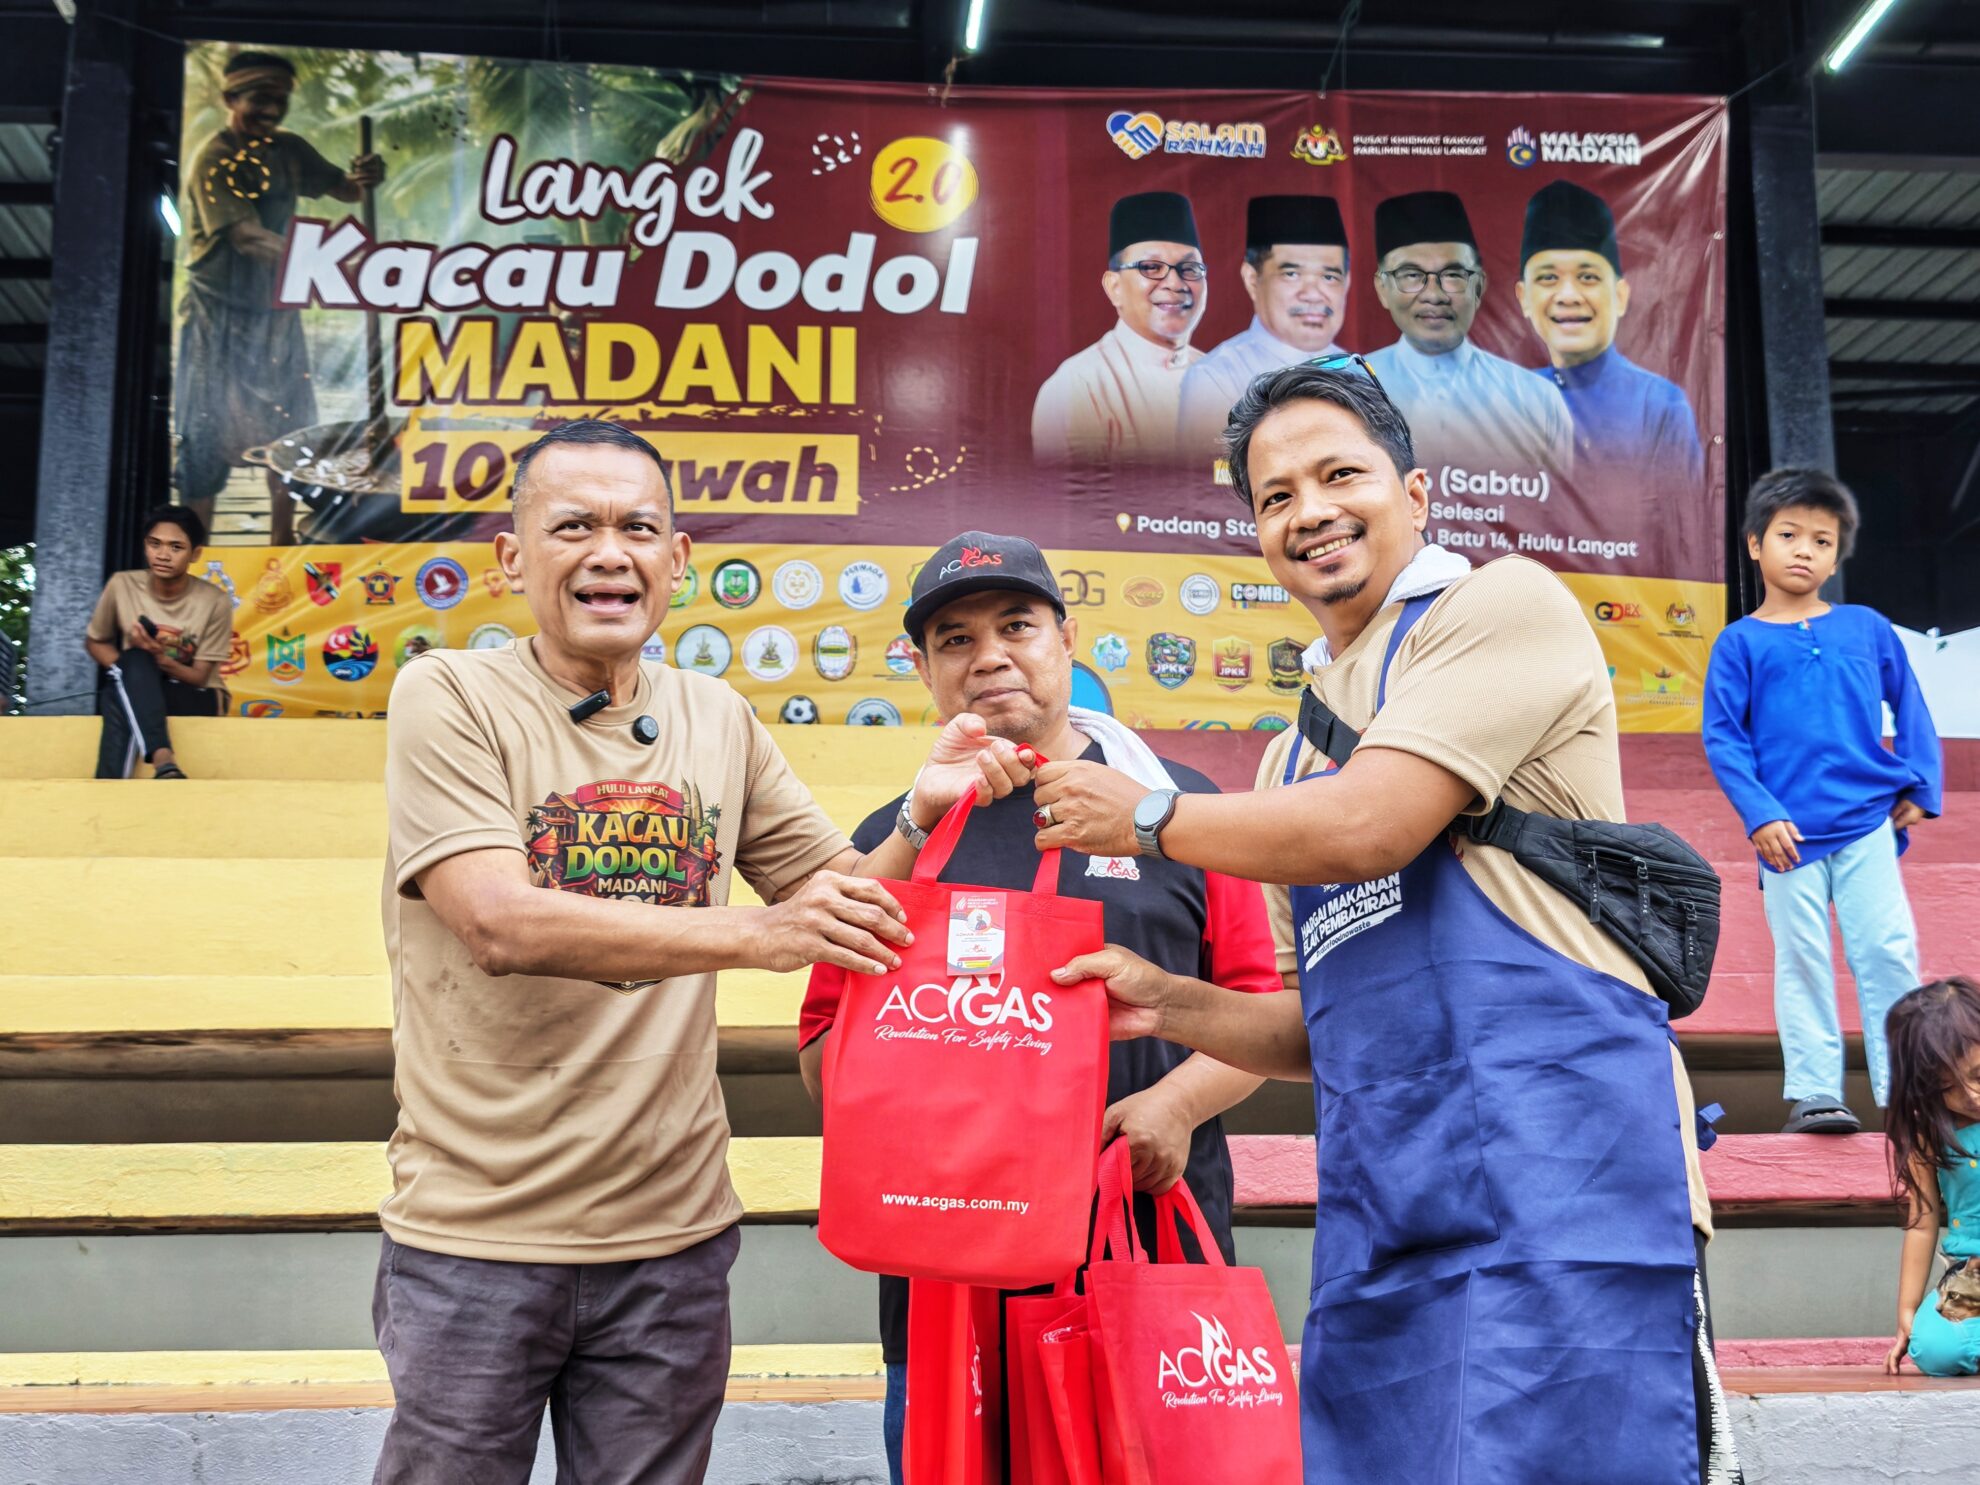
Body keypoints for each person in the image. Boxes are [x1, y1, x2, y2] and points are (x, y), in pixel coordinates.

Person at [1028, 363, 1739, 1483]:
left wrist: (1150, 816)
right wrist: (1168, 1002)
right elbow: (1319, 1024)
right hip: (1392, 1209)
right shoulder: (1288, 759)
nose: (1309, 511)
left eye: (1339, 475)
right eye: (1275, 497)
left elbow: (1371, 824)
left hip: (1571, 1185)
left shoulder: (1500, 607)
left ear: (1414, 493)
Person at [371, 419, 1019, 1485]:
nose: (608, 553)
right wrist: (757, 933)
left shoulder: (716, 715)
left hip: (673, 1240)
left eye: (638, 528)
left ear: (677, 560)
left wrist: (918, 811)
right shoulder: (449, 694)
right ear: (513, 557)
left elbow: (842, 901)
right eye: (573, 527)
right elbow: (496, 922)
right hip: (476, 1237)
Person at [794, 531, 1282, 1485]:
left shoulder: (1177, 809)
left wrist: (1173, 1106)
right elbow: (822, 1055)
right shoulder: (900, 835)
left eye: (1017, 625)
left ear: (1068, 640)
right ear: (924, 671)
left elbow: (1259, 1010)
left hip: (1146, 1267)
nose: (989, 656)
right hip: (946, 1288)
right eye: (955, 639)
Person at [1703, 468, 1941, 1135]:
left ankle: (1909, 1094)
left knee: (1887, 950)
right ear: (1756, 544)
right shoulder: (1739, 642)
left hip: (1866, 822)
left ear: (1837, 558)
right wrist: (1759, 812)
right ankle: (1814, 1093)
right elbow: (1723, 738)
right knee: (1802, 957)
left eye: (1822, 540)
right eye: (1789, 535)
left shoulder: (1866, 627)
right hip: (1786, 837)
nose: (1805, 550)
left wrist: (1920, 782)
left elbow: (1911, 705)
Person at [175, 51, 385, 516]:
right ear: (231, 98)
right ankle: (195, 545)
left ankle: (282, 540)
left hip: (276, 314)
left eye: (280, 100)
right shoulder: (214, 160)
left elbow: (347, 189)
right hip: (216, 316)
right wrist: (325, 266)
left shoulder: (287, 149)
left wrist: (366, 177)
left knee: (290, 430)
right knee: (203, 435)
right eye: (260, 98)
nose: (271, 110)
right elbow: (247, 237)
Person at [1364, 189, 1574, 478]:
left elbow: (1563, 502)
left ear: (1478, 287)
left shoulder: (1536, 400)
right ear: (1382, 289)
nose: (1434, 295)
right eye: (1412, 275)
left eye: (1453, 275)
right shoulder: (1349, 387)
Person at [1515, 179, 1704, 492]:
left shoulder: (1660, 406)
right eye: (1548, 278)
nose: (1568, 296)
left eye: (1588, 277)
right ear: (1523, 297)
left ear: (1620, 295)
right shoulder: (1506, 402)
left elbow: (1680, 515)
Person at [1032, 191, 1206, 463]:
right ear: (1114, 287)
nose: (1175, 283)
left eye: (1190, 268)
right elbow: (1066, 489)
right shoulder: (1080, 385)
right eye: (1151, 267)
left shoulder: (1220, 377)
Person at [1178, 194, 1351, 462]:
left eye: (1329, 277)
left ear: (1347, 283)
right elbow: (1210, 480)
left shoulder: (1361, 373)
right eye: (1291, 274)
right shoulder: (1216, 378)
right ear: (1252, 279)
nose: (1313, 294)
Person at [84, 504, 234, 779]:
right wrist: (130, 672)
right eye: (155, 544)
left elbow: (200, 676)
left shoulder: (215, 600)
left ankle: (109, 786)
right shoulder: (122, 585)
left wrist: (158, 659)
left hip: (198, 695)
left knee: (120, 688)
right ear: (145, 546)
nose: (163, 555)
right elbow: (96, 641)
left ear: (195, 554)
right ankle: (164, 762)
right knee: (131, 665)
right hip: (143, 688)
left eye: (176, 547)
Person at [1883, 976, 1980, 1377]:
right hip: (1971, 1276)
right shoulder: (1929, 1136)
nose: (1970, 1096)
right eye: (1947, 1087)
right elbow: (1922, 1224)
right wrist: (1906, 1312)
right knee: (1934, 1350)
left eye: (1977, 1074)